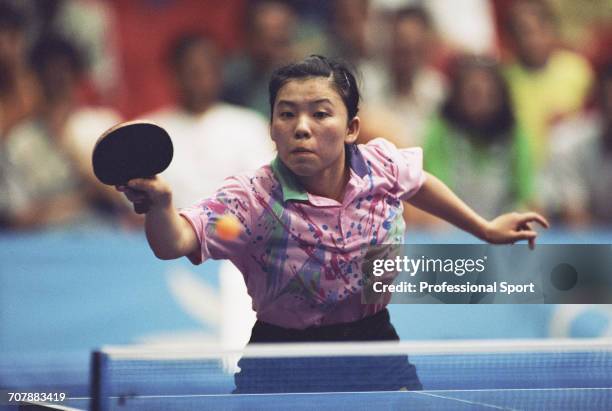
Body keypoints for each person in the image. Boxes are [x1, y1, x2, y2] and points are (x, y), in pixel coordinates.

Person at [116, 55, 548, 391]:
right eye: (286, 114)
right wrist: (161, 206)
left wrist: (484, 228)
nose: (301, 127)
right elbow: (175, 241)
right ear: (272, 127)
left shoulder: (380, 165)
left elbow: (419, 182)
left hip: (372, 343)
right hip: (281, 356)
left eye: (321, 114)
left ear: (351, 127)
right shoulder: (250, 201)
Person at [422, 56, 534, 221]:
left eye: (489, 95)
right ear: (458, 96)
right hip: (450, 229)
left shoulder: (516, 135)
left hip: (505, 231)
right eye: (473, 94)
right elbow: (433, 196)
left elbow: (528, 197)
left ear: (500, 97)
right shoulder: (440, 133)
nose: (481, 103)